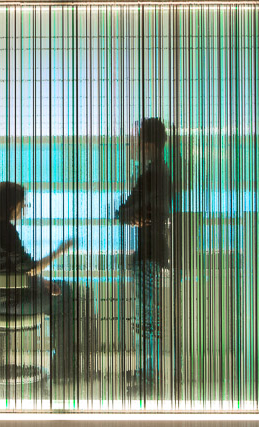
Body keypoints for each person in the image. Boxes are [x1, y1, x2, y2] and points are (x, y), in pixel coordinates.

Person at [0, 181, 75, 380]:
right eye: (22, 204)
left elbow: (11, 269)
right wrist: (59, 251)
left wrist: (42, 282)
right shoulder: (6, 231)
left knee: (60, 287)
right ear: (11, 206)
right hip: (9, 302)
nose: (24, 208)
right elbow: (29, 268)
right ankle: (64, 371)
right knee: (65, 296)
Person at [116, 118, 171, 396]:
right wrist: (131, 214)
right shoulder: (159, 173)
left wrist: (129, 214)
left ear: (147, 145)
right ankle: (148, 374)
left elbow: (127, 210)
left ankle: (148, 377)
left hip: (149, 254)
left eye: (137, 142)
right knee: (148, 317)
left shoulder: (152, 175)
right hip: (153, 253)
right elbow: (130, 211)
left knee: (147, 319)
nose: (134, 146)